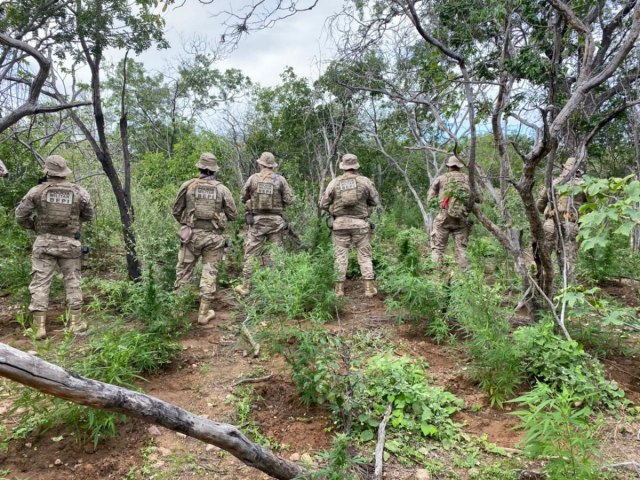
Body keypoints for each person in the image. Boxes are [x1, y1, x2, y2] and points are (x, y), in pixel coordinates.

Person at [15, 155, 94, 339]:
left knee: (40, 284)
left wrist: (34, 226)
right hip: (70, 244)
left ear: (47, 171)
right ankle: (75, 323)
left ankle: (39, 328)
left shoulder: (36, 191)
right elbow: (89, 215)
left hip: (44, 244)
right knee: (73, 281)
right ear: (64, 171)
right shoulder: (79, 192)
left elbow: (20, 216)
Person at [172, 152, 237, 325]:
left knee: (184, 271)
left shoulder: (188, 186)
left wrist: (188, 224)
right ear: (214, 170)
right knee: (209, 273)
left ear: (199, 167)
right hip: (213, 239)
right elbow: (233, 214)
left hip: (191, 237)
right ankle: (203, 313)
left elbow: (176, 210)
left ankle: (178, 311)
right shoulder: (222, 189)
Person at [320, 153, 380, 298]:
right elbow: (375, 201)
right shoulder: (365, 181)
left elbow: (323, 204)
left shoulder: (334, 183)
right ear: (356, 166)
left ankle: (339, 290)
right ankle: (369, 289)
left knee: (340, 257)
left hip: (339, 225)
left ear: (343, 167)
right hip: (360, 225)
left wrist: (334, 211)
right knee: (365, 256)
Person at [234, 152, 294, 296]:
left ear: (260, 164)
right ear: (272, 166)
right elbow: (289, 199)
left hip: (257, 221)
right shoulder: (280, 180)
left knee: (251, 254)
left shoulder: (253, 179)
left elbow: (243, 197)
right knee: (276, 254)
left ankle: (246, 286)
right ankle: (278, 286)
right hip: (276, 222)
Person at [536, 156, 587, 284]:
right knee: (568, 259)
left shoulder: (554, 182)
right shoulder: (585, 185)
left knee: (544, 256)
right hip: (572, 224)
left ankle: (540, 284)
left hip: (551, 223)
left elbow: (539, 204)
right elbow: (593, 207)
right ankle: (568, 289)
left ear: (566, 168)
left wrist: (548, 213)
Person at [427, 156, 475, 269]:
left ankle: (437, 276)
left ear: (448, 166)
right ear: (460, 166)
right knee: (462, 249)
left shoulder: (441, 178)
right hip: (461, 218)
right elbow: (479, 198)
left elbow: (430, 199)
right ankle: (463, 278)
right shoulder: (468, 179)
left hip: (443, 217)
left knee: (438, 249)